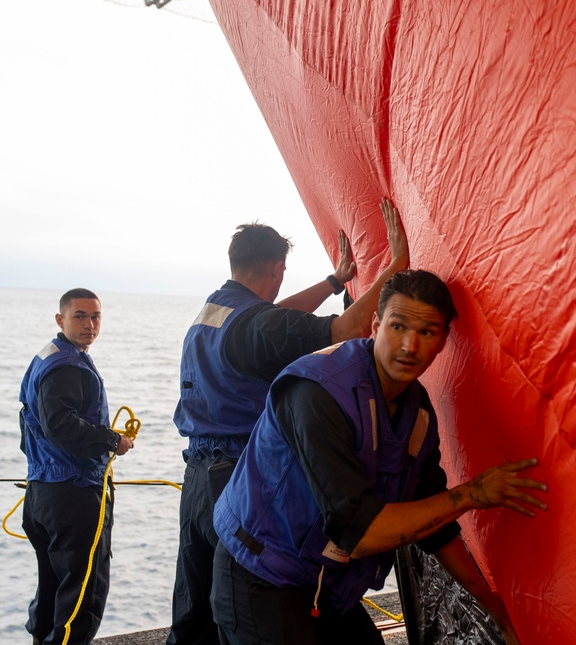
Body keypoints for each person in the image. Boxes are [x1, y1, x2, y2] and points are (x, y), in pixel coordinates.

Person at [210, 270, 549, 645]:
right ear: (375, 323)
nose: (408, 346)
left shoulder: (416, 412)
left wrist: (494, 607)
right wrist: (473, 494)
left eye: (426, 332)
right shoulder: (318, 391)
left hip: (327, 585)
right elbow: (361, 533)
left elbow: (435, 524)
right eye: (398, 326)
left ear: (443, 341)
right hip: (261, 579)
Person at [167, 199, 410, 645]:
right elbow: (343, 332)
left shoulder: (217, 311)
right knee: (241, 608)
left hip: (197, 481)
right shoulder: (256, 325)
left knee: (194, 613)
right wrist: (396, 268)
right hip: (235, 482)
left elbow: (277, 318)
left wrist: (334, 281)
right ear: (277, 269)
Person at [18, 288, 135, 645]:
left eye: (96, 316)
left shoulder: (49, 356)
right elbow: (60, 425)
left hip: (42, 492)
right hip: (74, 494)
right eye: (80, 316)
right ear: (61, 319)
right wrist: (112, 440)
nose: (90, 324)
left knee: (53, 590)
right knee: (82, 601)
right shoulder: (67, 365)